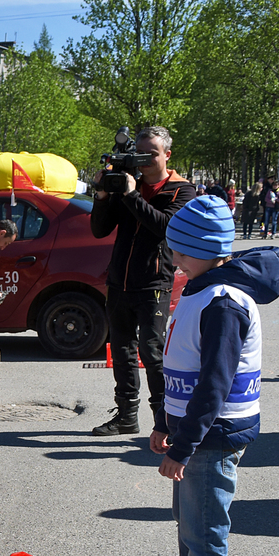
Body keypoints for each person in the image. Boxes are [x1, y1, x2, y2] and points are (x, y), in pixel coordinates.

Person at [144, 196, 279, 556]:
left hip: (213, 435)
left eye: (182, 252)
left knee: (204, 528)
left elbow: (214, 384)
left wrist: (183, 447)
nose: (174, 259)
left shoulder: (224, 303)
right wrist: (166, 423)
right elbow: (180, 366)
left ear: (209, 250)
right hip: (192, 431)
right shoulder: (200, 289)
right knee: (188, 521)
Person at [90, 125, 195, 437]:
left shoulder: (181, 190)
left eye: (152, 153)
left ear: (167, 155)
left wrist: (131, 194)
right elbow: (99, 229)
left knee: (152, 352)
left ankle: (166, 422)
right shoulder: (124, 185)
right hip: (119, 281)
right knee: (121, 351)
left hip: (154, 283)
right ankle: (126, 416)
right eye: (141, 153)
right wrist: (102, 195)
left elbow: (162, 227)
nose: (145, 159)